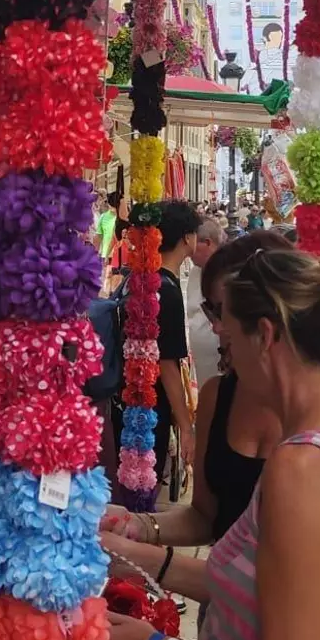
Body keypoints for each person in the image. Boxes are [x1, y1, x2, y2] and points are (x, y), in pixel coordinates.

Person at [101, 249, 320, 640]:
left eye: (232, 338)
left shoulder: (302, 468)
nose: (225, 350)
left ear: (264, 335)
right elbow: (273, 589)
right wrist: (133, 546)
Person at [100, 232, 292, 575]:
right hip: (221, 621)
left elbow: (275, 596)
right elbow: (206, 515)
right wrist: (137, 525)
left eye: (220, 311)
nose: (215, 327)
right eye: (209, 311)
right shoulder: (220, 396)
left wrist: (151, 565)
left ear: (267, 324)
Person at [114, 200, 200, 493]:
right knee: (144, 485)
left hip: (127, 399)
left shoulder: (134, 280)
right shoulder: (167, 292)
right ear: (187, 238)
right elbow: (168, 365)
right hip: (150, 408)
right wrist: (186, 426)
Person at [185, 216, 227, 389]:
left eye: (194, 243)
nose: (189, 251)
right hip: (202, 361)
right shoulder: (196, 271)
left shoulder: (225, 271)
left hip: (220, 358)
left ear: (208, 243)